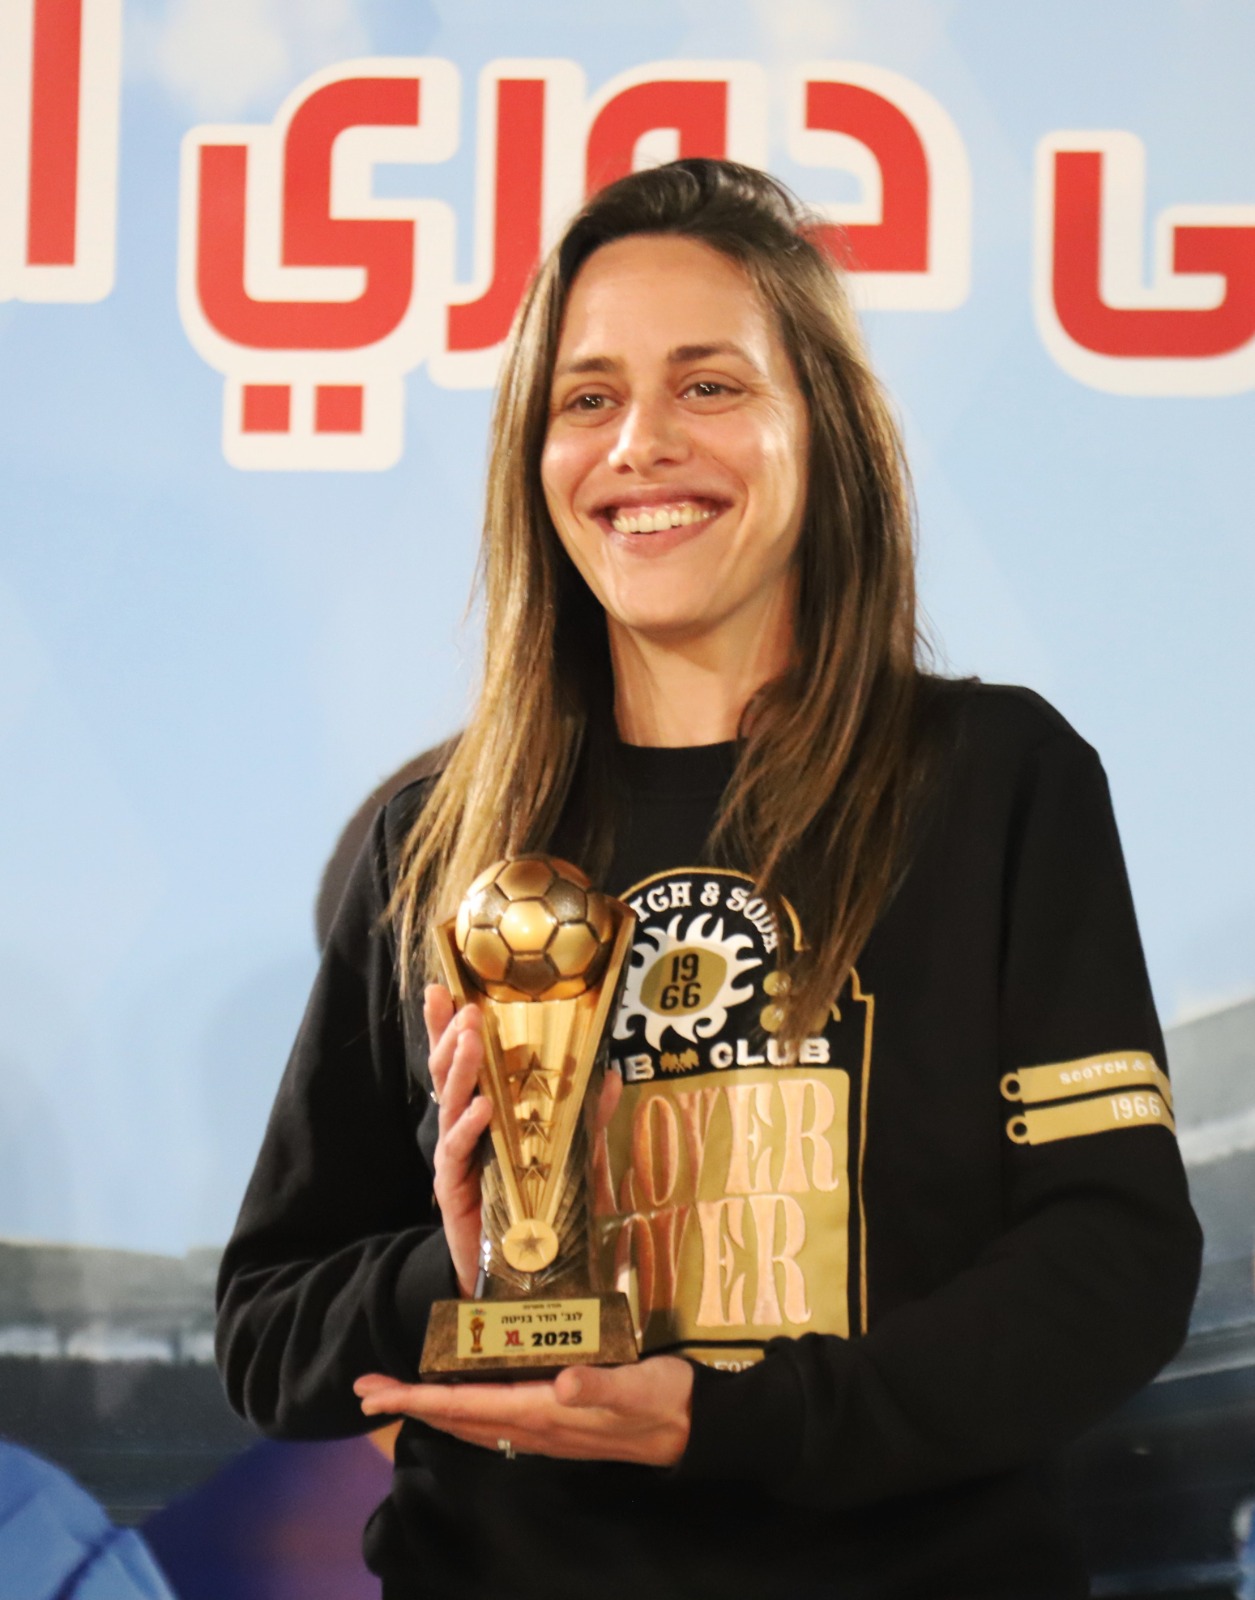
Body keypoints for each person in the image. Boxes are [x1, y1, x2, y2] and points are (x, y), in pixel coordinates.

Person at [216, 159, 1202, 1599]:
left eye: (711, 386)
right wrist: (466, 1272)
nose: (641, 445)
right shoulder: (433, 839)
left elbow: (1114, 1258)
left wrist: (738, 1422)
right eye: (588, 398)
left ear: (824, 429)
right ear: (535, 457)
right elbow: (266, 1333)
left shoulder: (995, 777)